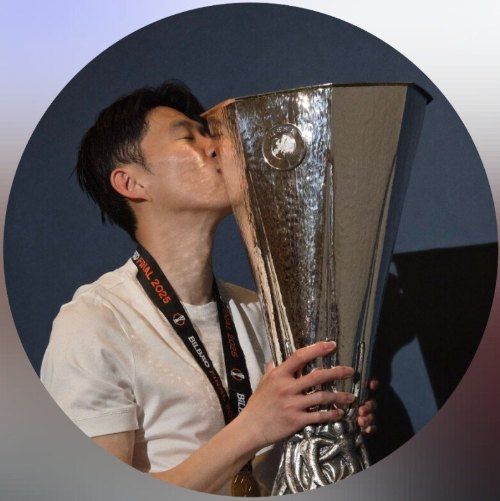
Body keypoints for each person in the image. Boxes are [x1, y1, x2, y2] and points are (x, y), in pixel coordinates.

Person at [40, 80, 377, 496]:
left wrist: (325, 422)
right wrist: (254, 426)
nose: (217, 146)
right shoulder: (94, 322)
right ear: (131, 183)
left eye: (209, 134)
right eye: (189, 137)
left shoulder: (259, 311)